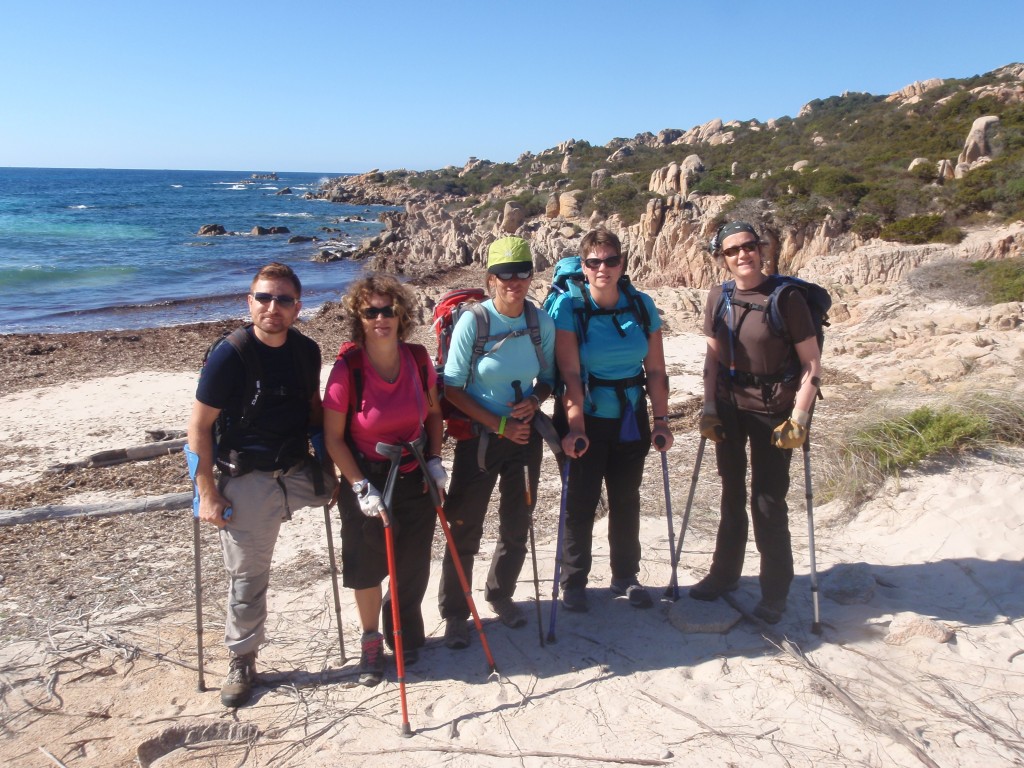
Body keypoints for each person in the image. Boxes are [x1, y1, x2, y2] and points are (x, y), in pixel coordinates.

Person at [187, 262, 335, 708]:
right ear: (248, 302)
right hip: (246, 475)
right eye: (265, 298)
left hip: (295, 471)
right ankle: (243, 658)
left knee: (365, 506)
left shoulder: (307, 351)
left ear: (298, 308)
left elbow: (314, 410)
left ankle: (374, 627)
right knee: (250, 575)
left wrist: (332, 470)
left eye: (284, 300)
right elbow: (197, 429)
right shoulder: (230, 354)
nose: (274, 307)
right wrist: (206, 493)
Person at [691, 221, 822, 624]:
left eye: (749, 246)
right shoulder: (719, 297)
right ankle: (724, 575)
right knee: (731, 495)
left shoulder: (787, 299)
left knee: (767, 502)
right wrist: (709, 406)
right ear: (723, 258)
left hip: (773, 413)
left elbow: (812, 364)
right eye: (732, 251)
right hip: (730, 407)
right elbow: (713, 359)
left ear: (762, 249)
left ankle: (775, 591)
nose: (743, 255)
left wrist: (799, 417)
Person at [322, 275, 445, 686]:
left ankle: (402, 618)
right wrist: (358, 486)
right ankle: (372, 638)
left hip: (413, 473)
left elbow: (433, 413)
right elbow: (333, 439)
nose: (380, 318)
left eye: (388, 310)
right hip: (368, 478)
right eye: (370, 311)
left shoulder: (417, 358)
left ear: (401, 314)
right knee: (366, 565)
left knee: (412, 561)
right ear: (359, 317)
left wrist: (434, 458)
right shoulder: (347, 369)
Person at [438, 236, 556, 649]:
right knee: (465, 524)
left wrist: (535, 400)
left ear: (531, 275)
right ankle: (455, 611)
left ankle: (500, 594)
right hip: (479, 439)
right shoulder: (475, 321)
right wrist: (499, 423)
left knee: (517, 521)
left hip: (525, 437)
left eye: (522, 272)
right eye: (504, 274)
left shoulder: (541, 322)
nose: (514, 281)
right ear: (490, 278)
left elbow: (549, 379)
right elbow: (451, 389)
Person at [552, 228, 673, 612]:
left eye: (610, 260)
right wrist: (574, 428)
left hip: (630, 416)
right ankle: (574, 582)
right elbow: (570, 373)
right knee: (581, 502)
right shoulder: (570, 308)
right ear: (584, 268)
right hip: (584, 415)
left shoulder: (641, 305)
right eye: (593, 262)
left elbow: (655, 369)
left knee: (626, 498)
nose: (603, 268)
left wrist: (662, 420)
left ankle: (625, 576)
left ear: (622, 263)